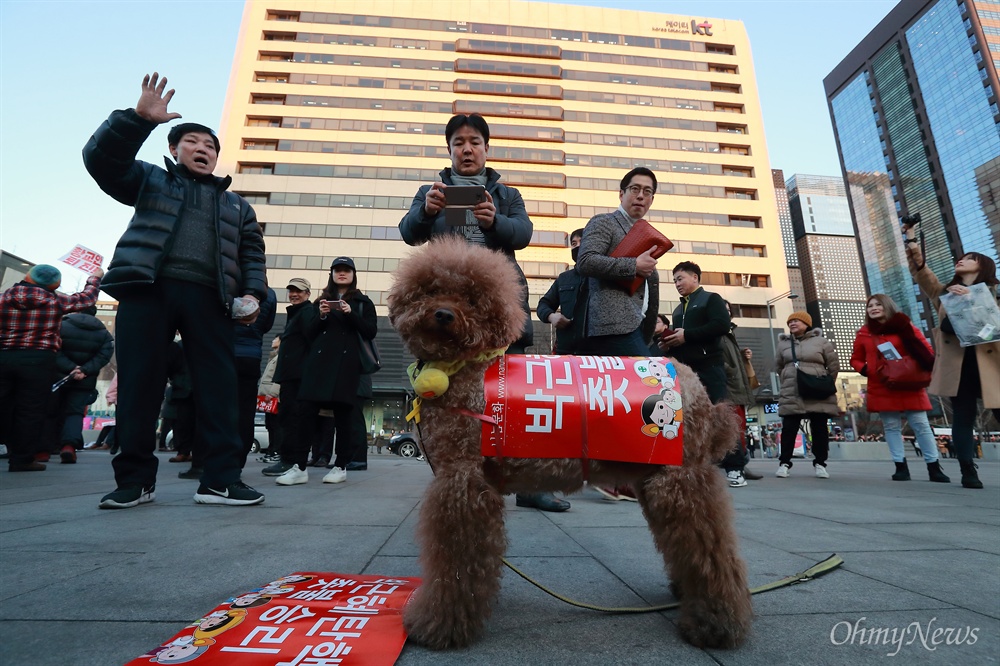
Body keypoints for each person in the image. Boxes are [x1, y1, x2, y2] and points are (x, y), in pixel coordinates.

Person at [84, 72, 266, 508]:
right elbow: (100, 160)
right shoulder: (149, 180)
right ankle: (134, 481)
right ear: (173, 149)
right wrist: (136, 120)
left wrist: (256, 295)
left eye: (211, 146)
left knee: (219, 391)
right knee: (138, 388)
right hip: (148, 291)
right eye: (193, 143)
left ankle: (221, 479)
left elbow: (252, 257)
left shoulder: (237, 206)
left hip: (211, 299)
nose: (204, 149)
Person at [400, 114, 569, 512]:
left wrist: (496, 223)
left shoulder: (506, 194)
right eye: (458, 142)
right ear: (450, 150)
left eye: (474, 141)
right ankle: (458, 476)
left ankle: (528, 483)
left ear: (487, 148)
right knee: (454, 395)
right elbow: (410, 232)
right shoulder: (432, 190)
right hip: (449, 312)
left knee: (515, 396)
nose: (467, 149)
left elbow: (523, 235)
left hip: (495, 310)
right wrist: (426, 211)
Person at [905, 228, 1000, 489]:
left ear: (982, 265)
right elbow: (922, 272)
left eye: (969, 258)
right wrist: (912, 241)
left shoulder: (994, 293)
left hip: (993, 363)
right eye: (961, 257)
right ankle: (968, 469)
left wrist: (974, 300)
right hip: (960, 363)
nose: (962, 259)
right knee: (963, 415)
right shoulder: (945, 293)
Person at [273, 257, 377, 486]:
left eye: (346, 270)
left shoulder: (363, 302)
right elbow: (308, 334)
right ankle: (299, 466)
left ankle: (341, 465)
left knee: (343, 415)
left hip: (347, 364)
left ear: (353, 274)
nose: (342, 274)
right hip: (318, 364)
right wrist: (321, 315)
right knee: (305, 413)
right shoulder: (319, 301)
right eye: (337, 270)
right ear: (331, 274)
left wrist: (351, 313)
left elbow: (370, 331)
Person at [0, 264, 102, 472]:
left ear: (28, 277)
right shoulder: (55, 300)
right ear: (54, 284)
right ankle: (22, 459)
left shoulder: (3, 298)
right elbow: (87, 299)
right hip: (39, 359)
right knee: (30, 410)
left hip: (3, 355)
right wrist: (94, 278)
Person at [850, 294, 951, 483]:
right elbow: (855, 359)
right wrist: (867, 370)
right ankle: (900, 467)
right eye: (870, 305)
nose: (873, 308)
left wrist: (906, 365)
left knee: (921, 425)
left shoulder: (906, 326)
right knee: (891, 426)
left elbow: (926, 351)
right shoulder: (864, 333)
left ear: (888, 306)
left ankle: (934, 467)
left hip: (909, 382)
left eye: (878, 304)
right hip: (882, 384)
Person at [659, 262, 738, 485]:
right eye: (674, 280)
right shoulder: (677, 309)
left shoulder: (710, 299)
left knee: (719, 415)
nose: (677, 284)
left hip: (709, 367)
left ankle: (735, 467)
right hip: (687, 372)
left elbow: (722, 325)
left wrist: (687, 335)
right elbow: (682, 338)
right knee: (691, 417)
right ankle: (695, 464)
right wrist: (670, 344)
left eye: (680, 278)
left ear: (695, 277)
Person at [576, 167, 660, 356]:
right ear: (621, 194)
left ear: (652, 200)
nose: (640, 196)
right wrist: (634, 265)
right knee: (648, 382)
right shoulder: (604, 222)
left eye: (647, 192)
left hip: (639, 328)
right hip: (611, 328)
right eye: (635, 189)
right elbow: (586, 261)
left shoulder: (646, 234)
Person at [263, 278, 318, 477]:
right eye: (292, 290)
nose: (294, 294)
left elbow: (311, 340)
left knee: (291, 418)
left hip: (297, 376)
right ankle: (288, 459)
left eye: (299, 291)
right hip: (291, 375)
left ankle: (289, 460)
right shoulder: (297, 313)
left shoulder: (306, 313)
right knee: (288, 417)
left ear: (307, 294)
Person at [773, 312, 840, 478]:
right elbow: (779, 366)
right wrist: (789, 378)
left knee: (819, 428)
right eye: (790, 321)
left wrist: (823, 383)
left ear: (806, 323)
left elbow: (833, 365)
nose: (792, 323)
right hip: (792, 390)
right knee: (789, 428)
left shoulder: (821, 342)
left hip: (817, 389)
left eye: (796, 320)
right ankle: (784, 463)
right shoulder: (783, 344)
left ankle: (820, 463)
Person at [47, 305, 114, 463]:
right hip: (84, 379)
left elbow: (54, 349)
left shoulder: (61, 325)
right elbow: (103, 356)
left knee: (51, 411)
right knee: (75, 413)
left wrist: (71, 368)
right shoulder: (104, 334)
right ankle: (68, 446)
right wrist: (84, 370)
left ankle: (44, 449)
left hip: (58, 377)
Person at [720, 301, 762, 483]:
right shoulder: (717, 333)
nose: (727, 313)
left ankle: (740, 465)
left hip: (736, 389)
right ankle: (736, 466)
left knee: (739, 429)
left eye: (729, 310)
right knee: (733, 430)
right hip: (728, 388)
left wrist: (742, 356)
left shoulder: (729, 334)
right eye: (723, 309)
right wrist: (732, 370)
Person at [234, 286, 276, 468]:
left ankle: (208, 459)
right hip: (251, 353)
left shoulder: (231, 284)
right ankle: (239, 460)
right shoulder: (269, 294)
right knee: (245, 412)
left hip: (227, 350)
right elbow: (267, 324)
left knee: (220, 408)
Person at [536, 229, 586, 354]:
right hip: (565, 351)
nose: (578, 246)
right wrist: (552, 316)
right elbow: (543, 304)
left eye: (582, 242)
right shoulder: (564, 278)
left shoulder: (602, 276)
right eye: (574, 244)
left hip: (597, 351)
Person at [257, 336, 282, 463]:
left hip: (273, 397)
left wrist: (272, 393)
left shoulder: (280, 357)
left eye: (275, 339)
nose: (272, 341)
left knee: (275, 425)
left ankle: (276, 451)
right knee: (270, 425)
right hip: (266, 396)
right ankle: (271, 450)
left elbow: (279, 376)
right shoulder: (273, 356)